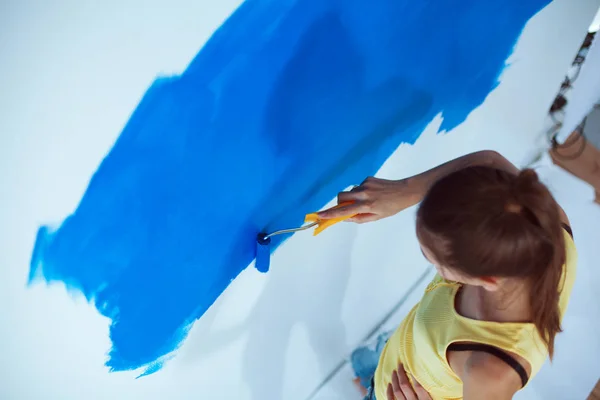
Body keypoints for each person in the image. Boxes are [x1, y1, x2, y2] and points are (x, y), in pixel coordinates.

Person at [317, 150, 578, 400]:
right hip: (413, 353)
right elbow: (488, 162)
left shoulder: (490, 372)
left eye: (430, 257)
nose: (429, 261)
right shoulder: (542, 223)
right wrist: (406, 190)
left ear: (487, 280)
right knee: (378, 363)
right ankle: (373, 372)